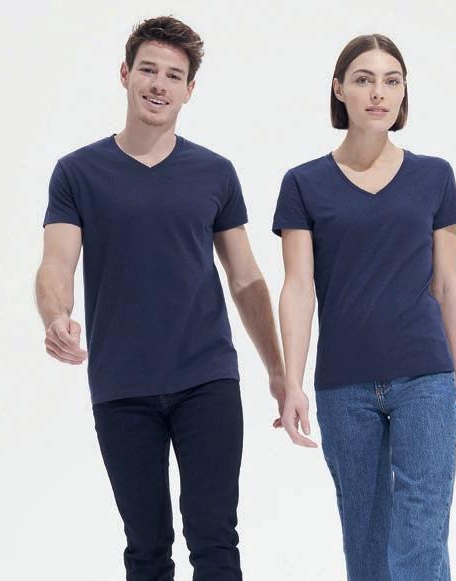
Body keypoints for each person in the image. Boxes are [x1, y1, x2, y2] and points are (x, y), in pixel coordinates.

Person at [35, 15, 285, 581]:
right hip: (122, 387)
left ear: (189, 90)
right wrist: (56, 316)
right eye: (148, 70)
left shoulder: (215, 173)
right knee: (146, 549)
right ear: (125, 74)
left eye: (174, 76)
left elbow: (246, 278)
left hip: (207, 381)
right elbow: (56, 263)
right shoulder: (77, 173)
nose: (159, 84)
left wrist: (277, 370)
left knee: (215, 541)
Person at [271, 33, 456, 581]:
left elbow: (448, 285)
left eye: (391, 81)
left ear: (404, 92)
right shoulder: (303, 184)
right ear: (340, 90)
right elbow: (298, 289)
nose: (378, 93)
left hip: (426, 379)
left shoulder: (434, 176)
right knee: (365, 544)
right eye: (364, 80)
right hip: (344, 386)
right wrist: (292, 383)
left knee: (420, 541)